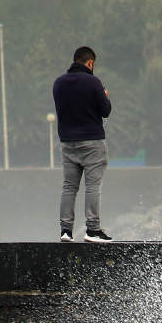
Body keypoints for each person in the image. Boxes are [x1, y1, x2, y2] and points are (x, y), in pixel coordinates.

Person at [52, 45, 113, 242]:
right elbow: (105, 111)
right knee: (92, 186)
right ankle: (93, 230)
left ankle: (65, 231)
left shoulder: (58, 83)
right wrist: (104, 96)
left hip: (68, 143)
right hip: (92, 142)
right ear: (90, 63)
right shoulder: (93, 82)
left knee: (69, 187)